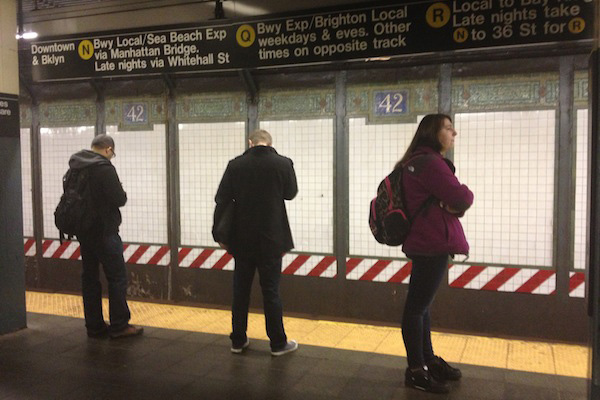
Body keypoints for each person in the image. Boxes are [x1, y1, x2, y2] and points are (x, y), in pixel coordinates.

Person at [398, 114, 473, 393]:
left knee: (422, 306)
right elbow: (462, 197)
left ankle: (427, 360)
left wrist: (452, 202)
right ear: (433, 132)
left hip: (426, 241)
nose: (454, 134)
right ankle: (416, 370)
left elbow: (452, 201)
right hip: (431, 242)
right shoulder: (430, 163)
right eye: (449, 129)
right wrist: (460, 198)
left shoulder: (418, 161)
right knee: (417, 308)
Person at [213, 129, 298, 356]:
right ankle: (278, 343)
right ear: (270, 143)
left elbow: (221, 198)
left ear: (250, 143)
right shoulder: (283, 163)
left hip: (242, 239)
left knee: (240, 291)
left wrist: (219, 234)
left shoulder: (235, 165)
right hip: (272, 238)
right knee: (271, 291)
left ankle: (238, 341)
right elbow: (291, 193)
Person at [70, 134, 143, 339]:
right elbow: (119, 198)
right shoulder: (104, 168)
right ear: (108, 149)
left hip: (84, 232)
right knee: (117, 277)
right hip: (104, 232)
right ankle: (119, 325)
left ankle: (94, 326)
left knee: (90, 278)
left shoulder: (76, 166)